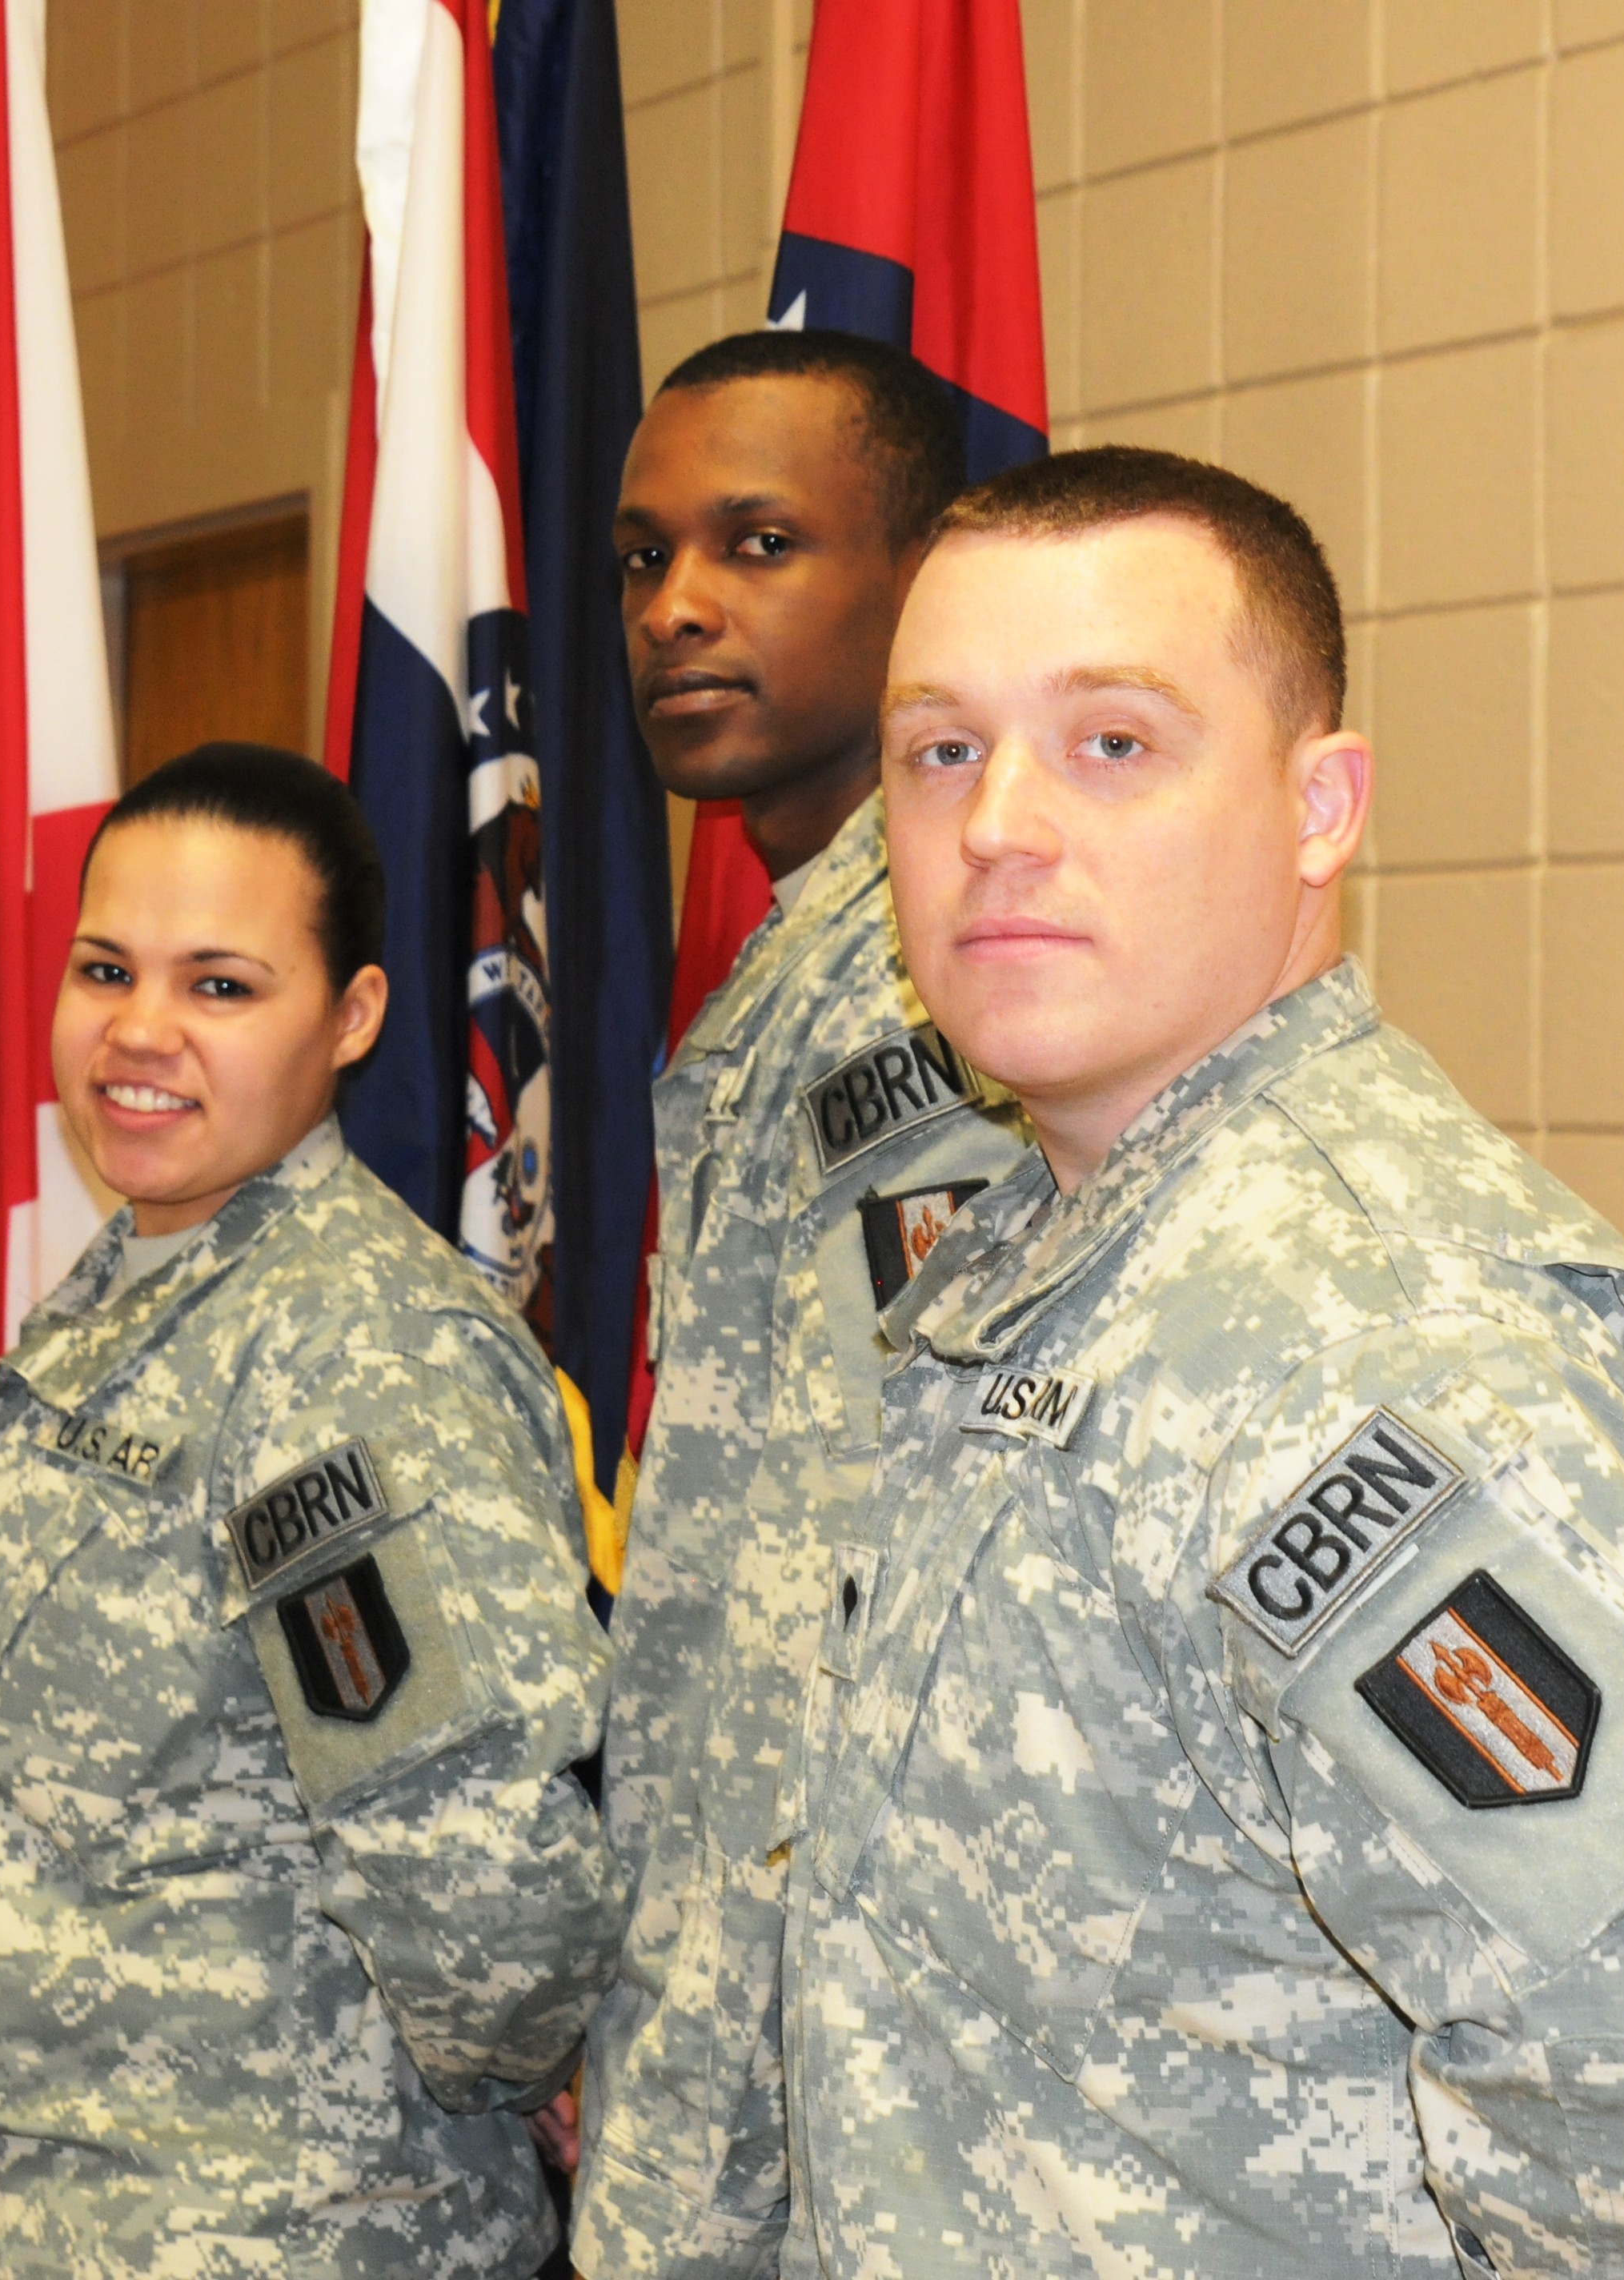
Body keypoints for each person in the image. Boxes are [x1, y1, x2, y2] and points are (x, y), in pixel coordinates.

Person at [784, 444, 1624, 2273]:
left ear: (1319, 806)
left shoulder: (1367, 1334)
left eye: (1114, 741)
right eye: (940, 750)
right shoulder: (1071, 1236)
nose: (998, 824)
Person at [0, 744, 624, 2278]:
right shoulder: (136, 1282)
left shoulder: (351, 1349)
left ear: (349, 1018)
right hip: (27, 2219)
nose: (139, 1032)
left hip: (261, 2228)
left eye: (220, 986)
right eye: (105, 970)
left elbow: (487, 1904)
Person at [570, 331, 1030, 2276]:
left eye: (760, 544)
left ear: (919, 583)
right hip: (729, 1999)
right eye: (642, 556)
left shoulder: (958, 981)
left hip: (846, 2058)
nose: (678, 605)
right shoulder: (803, 961)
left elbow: (912, 1563)